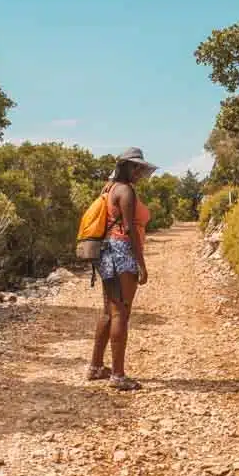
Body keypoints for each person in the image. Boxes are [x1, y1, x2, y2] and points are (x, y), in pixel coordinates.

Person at [87, 147, 156, 391]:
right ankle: (118, 375)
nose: (139, 172)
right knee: (121, 313)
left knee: (108, 310)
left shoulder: (110, 189)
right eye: (137, 168)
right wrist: (141, 263)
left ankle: (96, 367)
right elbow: (129, 231)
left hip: (107, 252)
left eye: (141, 168)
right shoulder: (126, 191)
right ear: (128, 166)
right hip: (122, 252)